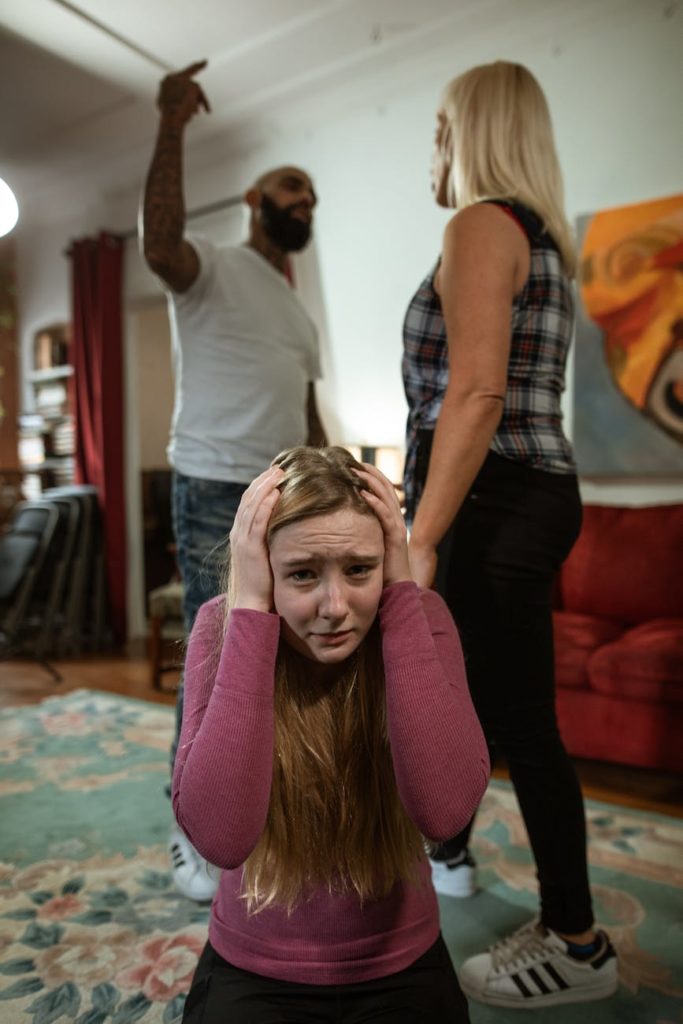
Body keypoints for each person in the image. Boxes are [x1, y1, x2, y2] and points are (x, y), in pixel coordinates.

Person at [402, 61, 619, 1008]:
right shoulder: (535, 237)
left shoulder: (480, 224)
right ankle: (446, 851)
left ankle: (576, 943)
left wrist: (419, 536)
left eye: (441, 127)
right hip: (527, 492)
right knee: (477, 703)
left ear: (473, 132)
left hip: (494, 500)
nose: (434, 147)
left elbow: (477, 392)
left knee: (521, 724)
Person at [173, 445, 490, 1023]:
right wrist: (248, 611)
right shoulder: (221, 628)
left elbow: (444, 816)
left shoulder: (424, 620)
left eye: (360, 570)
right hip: (256, 963)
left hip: (398, 960)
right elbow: (220, 838)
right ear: (263, 568)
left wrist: (400, 595)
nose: (336, 607)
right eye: (301, 574)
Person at [141, 60, 327, 902]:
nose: (305, 202)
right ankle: (191, 826)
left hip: (290, 494)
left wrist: (337, 480)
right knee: (214, 660)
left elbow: (306, 406)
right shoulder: (209, 265)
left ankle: (265, 806)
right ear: (254, 198)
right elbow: (157, 242)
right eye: (293, 188)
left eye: (312, 198)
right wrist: (172, 122)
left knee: (285, 663)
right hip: (214, 487)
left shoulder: (295, 309)